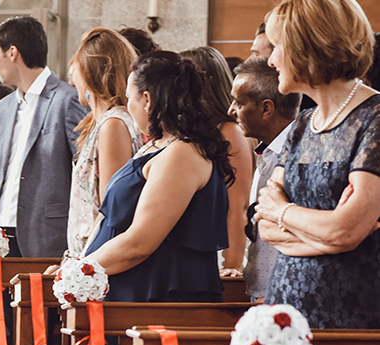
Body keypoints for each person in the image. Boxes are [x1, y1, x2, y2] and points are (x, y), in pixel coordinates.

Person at [256, 0, 380, 329]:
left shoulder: (375, 118)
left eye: (277, 46)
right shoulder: (302, 124)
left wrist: (284, 212)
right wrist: (330, 239)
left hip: (352, 316)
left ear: (305, 46)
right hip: (284, 310)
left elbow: (347, 228)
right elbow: (264, 225)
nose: (271, 60)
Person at [73, 51, 234, 304]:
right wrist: (78, 264)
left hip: (156, 293)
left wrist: (80, 270)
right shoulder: (156, 146)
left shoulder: (182, 153)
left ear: (147, 99)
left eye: (129, 98)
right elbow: (108, 218)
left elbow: (140, 243)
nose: (128, 106)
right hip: (125, 287)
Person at [0, 15, 88, 258]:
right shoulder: (2, 109)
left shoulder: (66, 99)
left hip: (45, 235)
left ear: (13, 52)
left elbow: (85, 170)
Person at [67, 28, 143, 259]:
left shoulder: (114, 125)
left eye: (77, 70)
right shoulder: (101, 123)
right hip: (87, 255)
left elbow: (112, 211)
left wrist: (83, 265)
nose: (71, 79)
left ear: (93, 73)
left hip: (99, 259)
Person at [229, 57, 300, 301]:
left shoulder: (299, 155)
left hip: (285, 294)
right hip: (260, 291)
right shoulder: (266, 151)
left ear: (266, 108)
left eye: (238, 102)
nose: (231, 110)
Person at [180, 46, 253, 275]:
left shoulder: (231, 132)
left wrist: (232, 265)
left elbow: (238, 206)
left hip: (219, 254)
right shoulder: (193, 130)